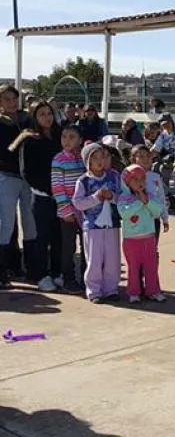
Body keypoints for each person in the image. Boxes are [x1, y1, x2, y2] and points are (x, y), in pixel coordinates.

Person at [9, 101, 63, 292]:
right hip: (41, 196)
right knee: (42, 238)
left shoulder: (60, 136)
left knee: (59, 238)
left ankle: (57, 273)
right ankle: (42, 275)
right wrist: (47, 189)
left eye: (49, 113)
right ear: (35, 117)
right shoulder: (30, 139)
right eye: (42, 114)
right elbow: (27, 172)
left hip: (61, 196)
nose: (47, 117)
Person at [72, 143, 122, 304]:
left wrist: (112, 196)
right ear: (88, 161)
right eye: (95, 158)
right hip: (93, 227)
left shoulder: (114, 176)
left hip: (112, 224)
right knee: (94, 259)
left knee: (112, 258)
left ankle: (111, 289)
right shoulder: (84, 181)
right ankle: (94, 290)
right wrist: (96, 197)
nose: (100, 161)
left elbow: (123, 198)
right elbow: (78, 203)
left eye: (102, 157)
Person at [0, 85, 35, 288]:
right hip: (7, 175)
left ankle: (29, 267)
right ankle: (3, 270)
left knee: (30, 222)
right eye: (6, 99)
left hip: (27, 178)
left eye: (14, 98)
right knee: (7, 223)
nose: (12, 103)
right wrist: (21, 138)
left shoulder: (26, 119)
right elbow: (5, 153)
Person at [118, 164, 166, 304]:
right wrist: (140, 202)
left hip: (149, 238)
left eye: (142, 179)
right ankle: (134, 292)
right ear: (127, 183)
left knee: (151, 267)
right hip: (131, 241)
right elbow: (124, 213)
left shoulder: (150, 196)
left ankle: (153, 291)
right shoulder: (123, 198)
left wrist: (147, 201)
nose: (140, 183)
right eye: (135, 180)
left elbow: (157, 211)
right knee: (133, 269)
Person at [51, 125, 86, 293]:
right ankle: (68, 279)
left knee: (87, 246)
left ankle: (88, 278)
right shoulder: (59, 159)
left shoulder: (85, 157)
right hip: (68, 214)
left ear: (79, 140)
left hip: (86, 212)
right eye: (64, 137)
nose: (67, 141)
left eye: (72, 137)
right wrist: (66, 210)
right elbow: (57, 187)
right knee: (68, 247)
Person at [130, 144, 169, 242]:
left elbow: (161, 197)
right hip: (138, 218)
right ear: (133, 159)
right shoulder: (129, 176)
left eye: (148, 156)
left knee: (153, 247)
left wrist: (164, 218)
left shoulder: (155, 177)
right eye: (141, 156)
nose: (146, 159)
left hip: (154, 218)